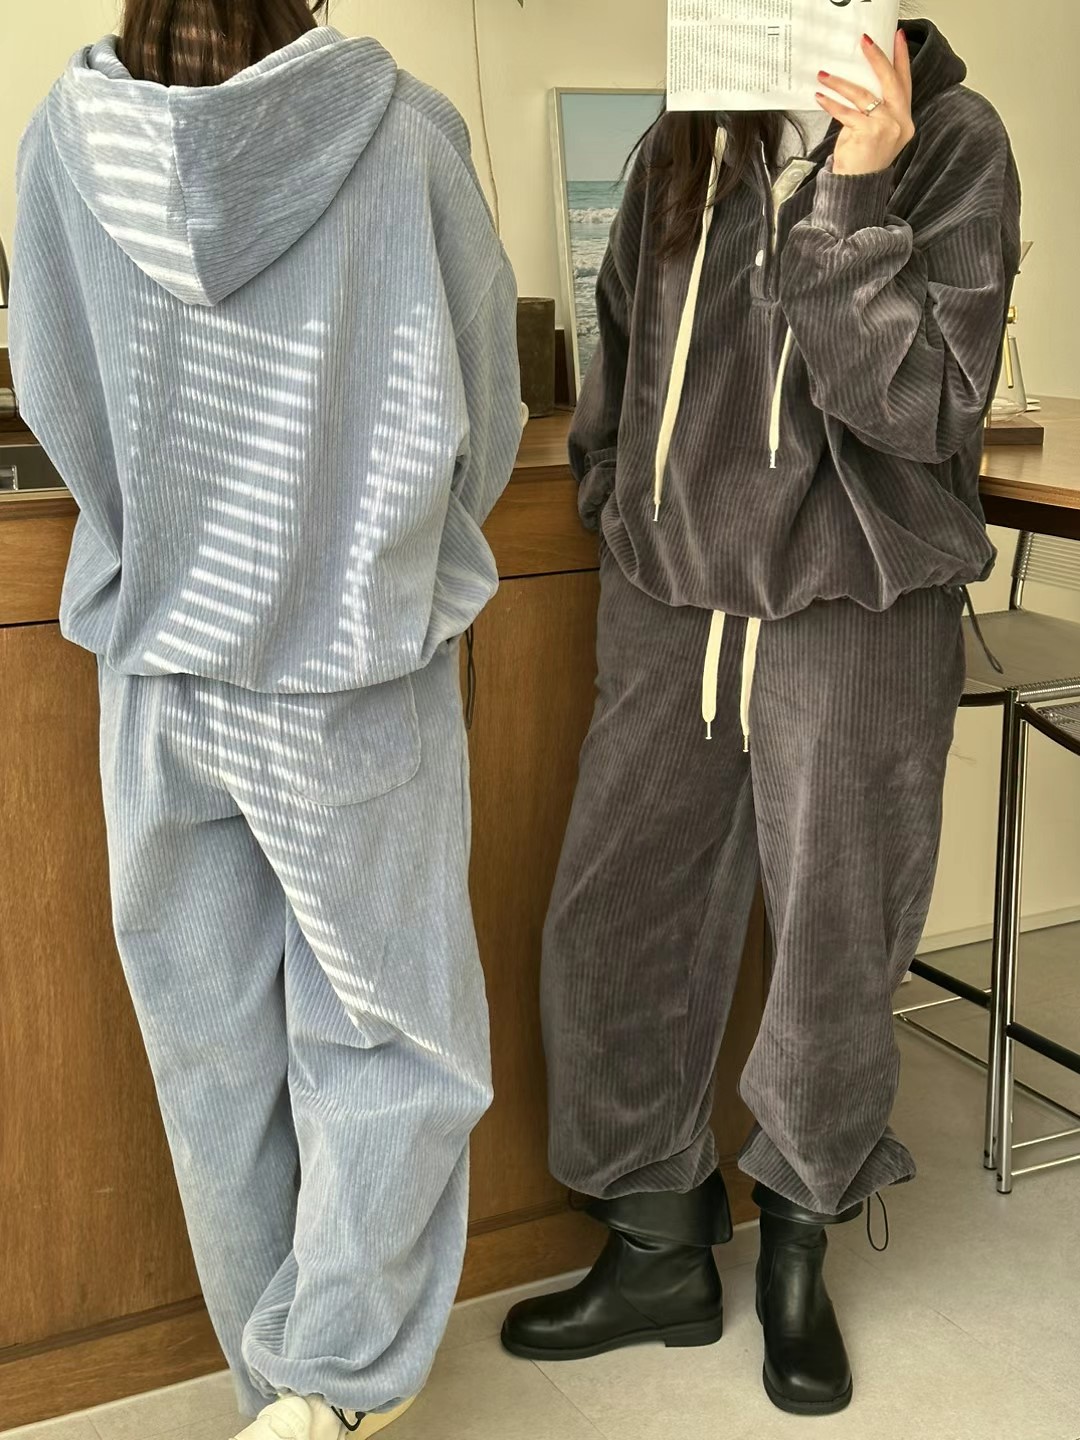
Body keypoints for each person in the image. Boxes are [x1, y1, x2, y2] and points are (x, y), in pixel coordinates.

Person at [10, 3, 522, 1436]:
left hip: (159, 677)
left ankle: (281, 1397)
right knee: (391, 1051)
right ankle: (329, 1393)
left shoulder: (66, 144)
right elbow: (483, 407)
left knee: (214, 1062)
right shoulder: (404, 130)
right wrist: (378, 554)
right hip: (347, 679)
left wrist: (168, 548)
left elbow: (59, 398)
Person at [501, 18, 1019, 1417]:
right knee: (616, 916)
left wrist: (856, 191)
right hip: (674, 603)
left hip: (853, 607)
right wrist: (620, 503)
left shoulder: (955, 144)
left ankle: (798, 1251)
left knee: (838, 940)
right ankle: (657, 1249)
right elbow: (624, 345)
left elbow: (923, 406)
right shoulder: (685, 138)